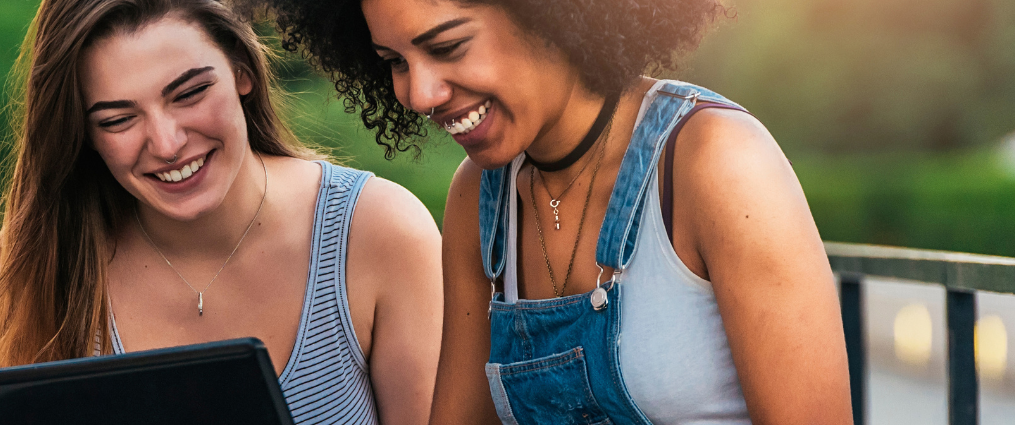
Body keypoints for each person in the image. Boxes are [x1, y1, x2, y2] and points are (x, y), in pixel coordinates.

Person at [259, 0, 853, 423]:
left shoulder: (714, 163)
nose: (420, 93)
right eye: (394, 61)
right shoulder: (480, 197)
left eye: (447, 47)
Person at [0, 0, 443, 423]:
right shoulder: (37, 267)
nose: (167, 144)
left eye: (189, 93)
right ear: (82, 134)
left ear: (241, 71)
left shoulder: (379, 231)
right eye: (118, 120)